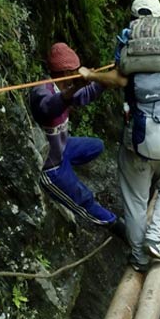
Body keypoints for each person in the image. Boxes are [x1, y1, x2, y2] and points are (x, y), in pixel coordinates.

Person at [80, 0, 160, 272]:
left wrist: (90, 75)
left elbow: (118, 79)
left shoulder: (127, 44)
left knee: (136, 200)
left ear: (134, 17)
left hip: (137, 139)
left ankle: (138, 258)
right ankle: (154, 236)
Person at [29, 42, 125, 239]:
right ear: (65, 74)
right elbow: (50, 107)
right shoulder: (42, 91)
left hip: (64, 146)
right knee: (84, 199)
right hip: (52, 165)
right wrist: (73, 89)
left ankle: (70, 172)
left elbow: (86, 93)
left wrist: (108, 78)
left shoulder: (65, 88)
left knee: (96, 146)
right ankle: (115, 225)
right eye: (74, 71)